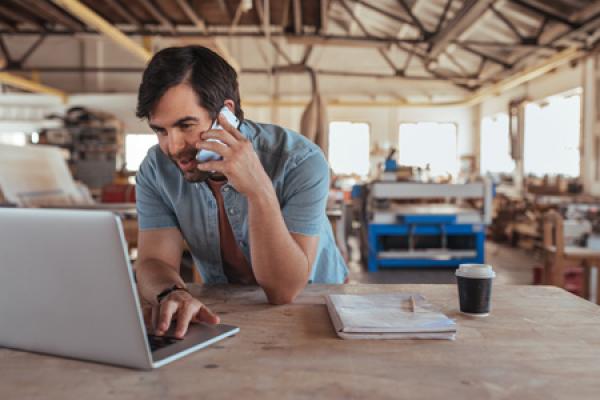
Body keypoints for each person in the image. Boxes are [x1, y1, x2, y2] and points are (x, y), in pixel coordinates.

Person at [134, 46, 348, 339]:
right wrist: (171, 292)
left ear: (226, 113)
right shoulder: (155, 169)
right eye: (161, 130)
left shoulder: (301, 161)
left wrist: (259, 190)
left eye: (186, 125)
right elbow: (153, 262)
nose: (173, 146)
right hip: (225, 309)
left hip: (318, 307)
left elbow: (283, 290)